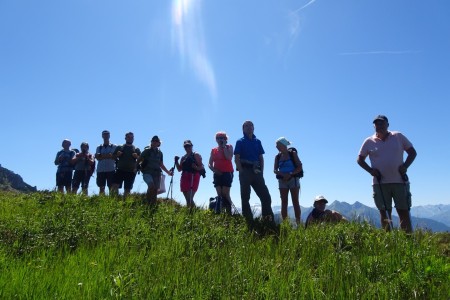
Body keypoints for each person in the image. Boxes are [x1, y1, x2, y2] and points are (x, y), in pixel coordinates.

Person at [357, 115, 417, 233]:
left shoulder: (398, 136)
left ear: (387, 125)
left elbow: (412, 152)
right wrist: (370, 171)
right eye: (377, 123)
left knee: (403, 211)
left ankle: (408, 241)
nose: (379, 125)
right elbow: (360, 159)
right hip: (380, 183)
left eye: (382, 123)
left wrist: (405, 166)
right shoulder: (369, 141)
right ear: (374, 126)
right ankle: (389, 242)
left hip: (400, 181)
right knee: (384, 213)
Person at [234, 120, 274, 222]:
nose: (249, 127)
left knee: (265, 196)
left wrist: (262, 172)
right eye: (246, 126)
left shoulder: (257, 141)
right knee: (245, 197)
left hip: (257, 172)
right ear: (243, 129)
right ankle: (248, 220)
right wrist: (242, 171)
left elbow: (261, 157)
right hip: (245, 171)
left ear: (254, 128)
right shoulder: (240, 141)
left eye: (251, 125)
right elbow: (237, 157)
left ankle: (267, 219)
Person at [273, 137, 303, 225]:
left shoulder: (292, 154)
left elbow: (299, 167)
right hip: (283, 180)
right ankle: (285, 224)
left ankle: (298, 223)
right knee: (284, 202)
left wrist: (289, 174)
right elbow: (275, 170)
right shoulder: (277, 157)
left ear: (283, 145)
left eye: (277, 145)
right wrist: (283, 175)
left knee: (295, 201)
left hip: (293, 179)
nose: (276, 147)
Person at [137, 135, 173, 205]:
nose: (155, 142)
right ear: (151, 142)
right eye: (153, 140)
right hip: (147, 172)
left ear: (159, 143)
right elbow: (139, 160)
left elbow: (161, 164)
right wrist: (136, 168)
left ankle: (152, 205)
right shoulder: (146, 151)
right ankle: (147, 203)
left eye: (156, 141)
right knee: (151, 186)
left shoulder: (160, 153)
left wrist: (168, 172)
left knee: (155, 190)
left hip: (157, 173)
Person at [208, 131, 234, 214]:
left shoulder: (229, 147)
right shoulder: (214, 150)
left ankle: (229, 213)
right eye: (218, 138)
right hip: (217, 173)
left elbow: (228, 157)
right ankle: (220, 213)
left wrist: (223, 147)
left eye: (222, 137)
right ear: (216, 139)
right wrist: (214, 170)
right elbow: (210, 163)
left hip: (227, 172)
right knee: (219, 194)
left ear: (226, 139)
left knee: (225, 194)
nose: (220, 139)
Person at [175, 140, 205, 208]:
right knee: (187, 198)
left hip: (193, 176)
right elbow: (179, 169)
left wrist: (196, 168)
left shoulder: (196, 154)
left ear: (192, 146)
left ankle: (193, 212)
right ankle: (191, 213)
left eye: (188, 146)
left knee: (189, 197)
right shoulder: (183, 157)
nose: (187, 147)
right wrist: (176, 161)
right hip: (184, 177)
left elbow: (201, 167)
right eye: (185, 146)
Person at [111, 132, 141, 198]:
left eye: (132, 137)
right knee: (114, 186)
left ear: (133, 139)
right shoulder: (120, 147)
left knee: (127, 189)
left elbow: (141, 160)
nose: (130, 139)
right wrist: (117, 155)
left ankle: (125, 204)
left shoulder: (136, 149)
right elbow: (113, 157)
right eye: (128, 137)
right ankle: (115, 201)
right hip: (120, 170)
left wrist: (137, 157)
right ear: (125, 138)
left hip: (131, 172)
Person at [95, 130, 117, 195]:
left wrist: (101, 155)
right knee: (101, 187)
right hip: (100, 170)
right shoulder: (98, 147)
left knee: (111, 187)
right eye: (104, 134)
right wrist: (108, 155)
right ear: (102, 136)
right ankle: (102, 201)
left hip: (111, 169)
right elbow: (97, 157)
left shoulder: (114, 146)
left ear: (109, 136)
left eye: (107, 134)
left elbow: (112, 156)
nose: (106, 136)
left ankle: (111, 201)